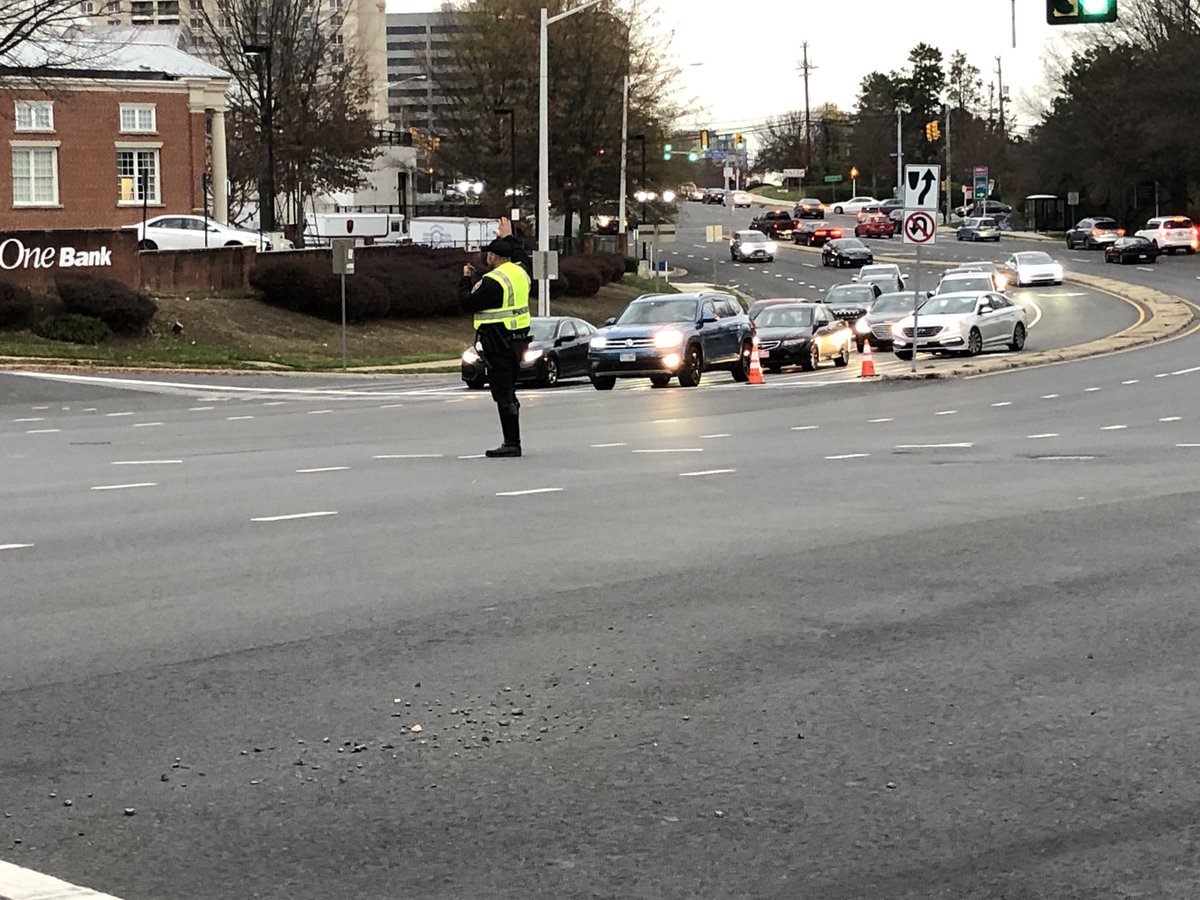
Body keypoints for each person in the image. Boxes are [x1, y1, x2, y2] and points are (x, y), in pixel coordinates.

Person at [458, 217, 531, 458]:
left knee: (502, 393)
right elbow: (521, 254)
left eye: (488, 254)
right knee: (509, 390)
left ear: (494, 257)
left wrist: (466, 279)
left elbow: (467, 301)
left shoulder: (492, 281)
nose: (485, 258)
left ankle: (512, 443)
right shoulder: (520, 271)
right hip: (518, 341)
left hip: (498, 343)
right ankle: (513, 439)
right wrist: (508, 237)